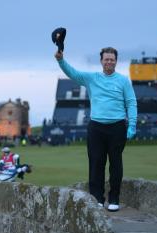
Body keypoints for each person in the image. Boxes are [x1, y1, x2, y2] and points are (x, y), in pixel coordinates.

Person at [55, 47, 137, 212]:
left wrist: (133, 124)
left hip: (117, 126)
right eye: (106, 59)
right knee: (96, 163)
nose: (109, 62)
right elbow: (73, 73)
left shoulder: (123, 80)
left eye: (112, 59)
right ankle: (97, 199)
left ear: (116, 61)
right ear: (101, 61)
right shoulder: (91, 78)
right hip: (96, 127)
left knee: (115, 163)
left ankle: (114, 199)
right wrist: (60, 60)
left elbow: (131, 102)